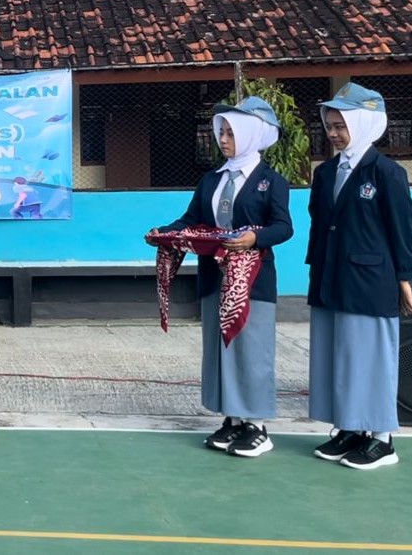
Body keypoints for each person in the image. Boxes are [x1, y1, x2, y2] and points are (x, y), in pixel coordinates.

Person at [146, 96, 293, 458]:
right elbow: (192, 220)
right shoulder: (211, 180)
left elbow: (283, 227)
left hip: (252, 282)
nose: (223, 139)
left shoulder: (270, 182)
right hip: (215, 277)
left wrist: (254, 239)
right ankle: (232, 418)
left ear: (251, 135)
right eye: (222, 132)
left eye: (230, 133)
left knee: (251, 349)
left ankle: (256, 424)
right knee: (220, 348)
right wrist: (165, 233)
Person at [306, 82, 412, 471]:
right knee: (339, 357)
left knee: (371, 357)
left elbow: (402, 229)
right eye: (330, 126)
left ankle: (382, 438)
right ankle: (351, 428)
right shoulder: (328, 172)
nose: (333, 134)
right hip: (331, 277)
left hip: (372, 281)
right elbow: (320, 223)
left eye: (341, 126)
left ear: (365, 124)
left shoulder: (387, 173)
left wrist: (405, 277)